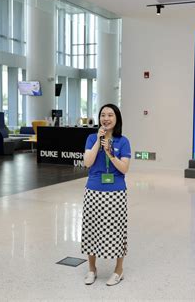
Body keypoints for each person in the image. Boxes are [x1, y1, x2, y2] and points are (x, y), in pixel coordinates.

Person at [81, 104, 131, 286]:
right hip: (93, 190)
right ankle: (92, 269)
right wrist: (98, 141)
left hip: (116, 192)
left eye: (110, 115)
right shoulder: (91, 138)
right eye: (103, 115)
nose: (106, 118)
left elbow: (124, 168)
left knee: (116, 231)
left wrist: (110, 154)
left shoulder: (123, 141)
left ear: (117, 118)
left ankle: (119, 270)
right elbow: (87, 162)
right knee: (91, 229)